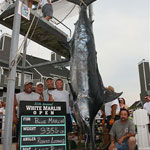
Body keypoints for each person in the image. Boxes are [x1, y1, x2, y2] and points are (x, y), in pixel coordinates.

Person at [13, 81, 41, 150]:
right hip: (21, 120)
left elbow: (41, 106)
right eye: (28, 85)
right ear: (24, 87)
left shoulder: (37, 96)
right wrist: (14, 117)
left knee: (34, 138)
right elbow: (13, 106)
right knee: (19, 139)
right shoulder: (18, 95)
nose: (29, 87)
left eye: (31, 85)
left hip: (34, 120)